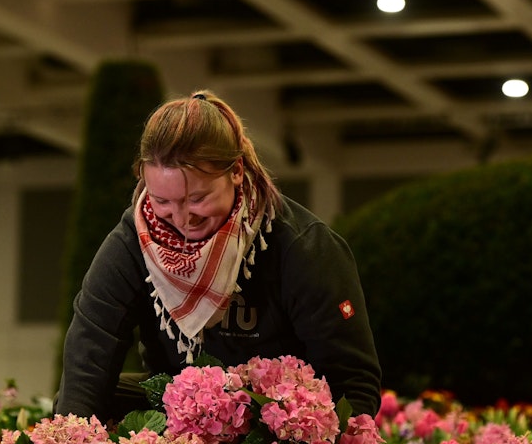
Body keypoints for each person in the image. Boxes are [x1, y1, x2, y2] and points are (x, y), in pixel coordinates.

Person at [54, 89, 381, 422]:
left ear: (236, 171)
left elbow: (352, 381)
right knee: (86, 403)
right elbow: (91, 345)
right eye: (163, 202)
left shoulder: (302, 246)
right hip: (175, 414)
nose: (182, 219)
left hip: (272, 421)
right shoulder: (133, 239)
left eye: (198, 198)